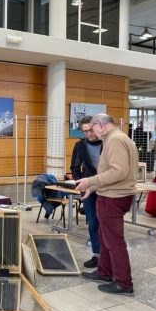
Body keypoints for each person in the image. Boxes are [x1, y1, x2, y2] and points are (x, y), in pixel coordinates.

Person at [76, 113, 138, 297]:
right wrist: (93, 187)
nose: (92, 133)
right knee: (105, 237)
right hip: (109, 194)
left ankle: (123, 283)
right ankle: (104, 272)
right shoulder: (115, 138)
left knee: (114, 241)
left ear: (99, 125)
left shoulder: (115, 140)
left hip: (114, 197)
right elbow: (111, 171)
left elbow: (118, 171)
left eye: (92, 128)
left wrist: (90, 180)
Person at [70, 115, 102, 268]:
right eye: (85, 132)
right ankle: (97, 254)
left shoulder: (108, 143)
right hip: (87, 187)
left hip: (105, 186)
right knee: (93, 221)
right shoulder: (80, 145)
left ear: (97, 127)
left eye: (91, 130)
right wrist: (80, 183)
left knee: (105, 221)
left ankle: (108, 255)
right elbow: (75, 167)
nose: (89, 134)